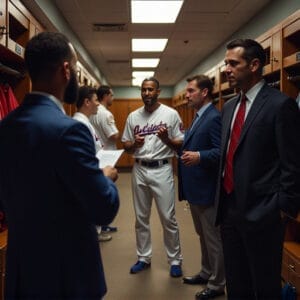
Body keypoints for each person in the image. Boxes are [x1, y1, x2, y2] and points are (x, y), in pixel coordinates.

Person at [0, 32, 119, 299]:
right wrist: (105, 178)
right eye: (76, 69)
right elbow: (103, 208)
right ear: (66, 70)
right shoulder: (69, 131)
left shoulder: (5, 127)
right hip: (67, 277)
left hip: (22, 274)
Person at [214, 38, 300, 299]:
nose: (226, 69)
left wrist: (282, 209)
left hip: (264, 214)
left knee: (264, 287)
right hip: (229, 211)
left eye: (233, 63)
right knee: (237, 285)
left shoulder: (279, 104)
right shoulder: (229, 106)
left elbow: (293, 164)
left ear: (253, 65)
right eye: (226, 63)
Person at [122, 77, 184, 277]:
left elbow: (180, 144)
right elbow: (126, 147)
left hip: (162, 168)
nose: (146, 93)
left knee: (168, 217)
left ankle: (175, 260)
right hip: (139, 168)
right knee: (141, 218)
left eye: (150, 90)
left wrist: (166, 139)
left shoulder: (171, 114)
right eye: (143, 90)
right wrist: (134, 145)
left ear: (158, 92)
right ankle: (143, 258)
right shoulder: (133, 117)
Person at [179, 75, 225, 299]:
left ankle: (217, 284)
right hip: (195, 190)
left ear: (204, 92)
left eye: (190, 91)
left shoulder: (214, 117)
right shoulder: (198, 116)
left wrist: (199, 155)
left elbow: (221, 152)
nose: (187, 95)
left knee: (213, 239)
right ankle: (206, 272)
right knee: (202, 236)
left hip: (207, 190)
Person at [73, 86, 112, 242]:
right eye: (96, 100)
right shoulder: (79, 124)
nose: (98, 104)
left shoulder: (86, 122)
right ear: (87, 102)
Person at [90, 85, 119, 233]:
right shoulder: (106, 114)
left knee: (97, 191)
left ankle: (102, 225)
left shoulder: (91, 112)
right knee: (105, 191)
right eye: (112, 95)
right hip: (107, 156)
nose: (112, 98)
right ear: (105, 96)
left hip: (95, 155)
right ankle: (101, 225)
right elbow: (113, 135)